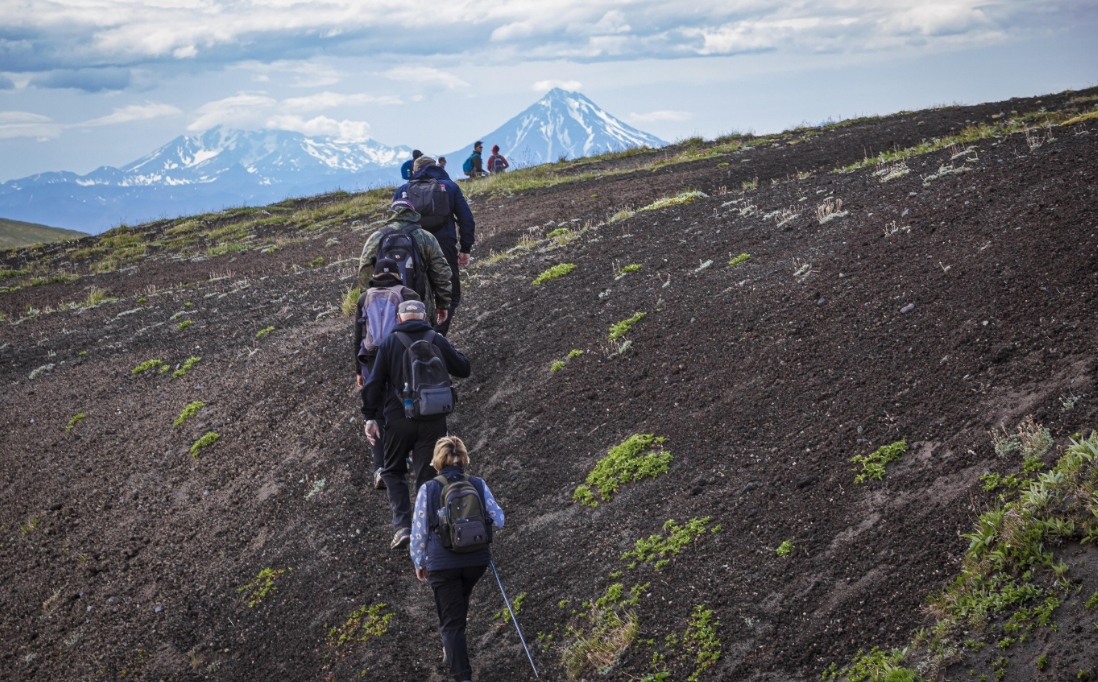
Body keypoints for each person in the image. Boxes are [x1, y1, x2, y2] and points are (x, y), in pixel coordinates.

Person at [362, 301, 471, 550]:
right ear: (424, 316)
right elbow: (464, 369)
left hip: (398, 419)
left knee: (392, 470)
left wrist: (370, 416)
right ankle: (428, 529)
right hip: (433, 419)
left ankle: (403, 528)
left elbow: (374, 382)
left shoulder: (389, 342)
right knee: (427, 474)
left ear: (399, 319)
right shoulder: (436, 338)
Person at [411, 436, 504, 682]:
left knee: (451, 622)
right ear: (463, 457)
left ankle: (461, 674)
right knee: (457, 608)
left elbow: (419, 530)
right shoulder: (478, 484)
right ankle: (453, 651)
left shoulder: (428, 489)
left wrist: (419, 562)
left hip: (443, 563)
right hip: (476, 561)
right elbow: (499, 519)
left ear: (437, 460)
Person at [354, 257, 421, 490]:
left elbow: (358, 337)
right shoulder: (408, 294)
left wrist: (358, 370)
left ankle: (380, 467)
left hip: (372, 361)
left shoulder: (364, 297)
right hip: (401, 356)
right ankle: (404, 457)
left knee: (378, 411)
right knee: (403, 405)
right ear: (396, 275)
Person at [393, 156, 475, 336]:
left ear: (414, 171)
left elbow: (394, 224)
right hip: (444, 246)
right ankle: (436, 337)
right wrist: (465, 249)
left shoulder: (403, 190)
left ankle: (415, 337)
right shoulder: (450, 187)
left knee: (414, 293)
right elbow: (466, 219)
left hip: (411, 249)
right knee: (450, 294)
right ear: (435, 167)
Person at [358, 199, 453, 328]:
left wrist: (369, 303)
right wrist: (442, 304)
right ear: (413, 213)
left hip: (384, 308)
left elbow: (364, 271)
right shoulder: (425, 237)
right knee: (421, 342)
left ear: (391, 213)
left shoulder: (376, 237)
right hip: (420, 305)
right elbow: (441, 272)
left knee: (387, 343)